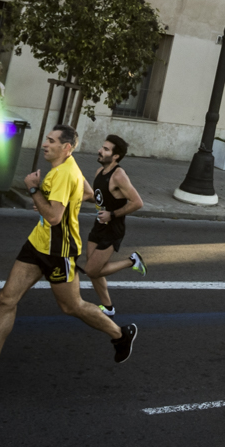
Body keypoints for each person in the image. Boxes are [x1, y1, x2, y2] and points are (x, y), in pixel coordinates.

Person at [0, 126, 136, 388]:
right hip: (37, 244)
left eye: (51, 141)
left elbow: (53, 217)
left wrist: (33, 191)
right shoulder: (65, 167)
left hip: (58, 251)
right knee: (7, 299)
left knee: (71, 306)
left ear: (66, 147)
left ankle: (120, 334)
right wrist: (45, 198)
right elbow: (84, 192)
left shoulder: (63, 173)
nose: (44, 144)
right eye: (46, 139)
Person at [81, 135, 146, 317]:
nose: (100, 151)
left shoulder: (119, 175)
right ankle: (108, 307)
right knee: (95, 270)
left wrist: (112, 214)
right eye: (102, 147)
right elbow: (100, 197)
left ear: (116, 156)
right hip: (99, 225)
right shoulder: (98, 172)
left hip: (113, 229)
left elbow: (137, 202)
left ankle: (132, 261)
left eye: (106, 149)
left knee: (91, 270)